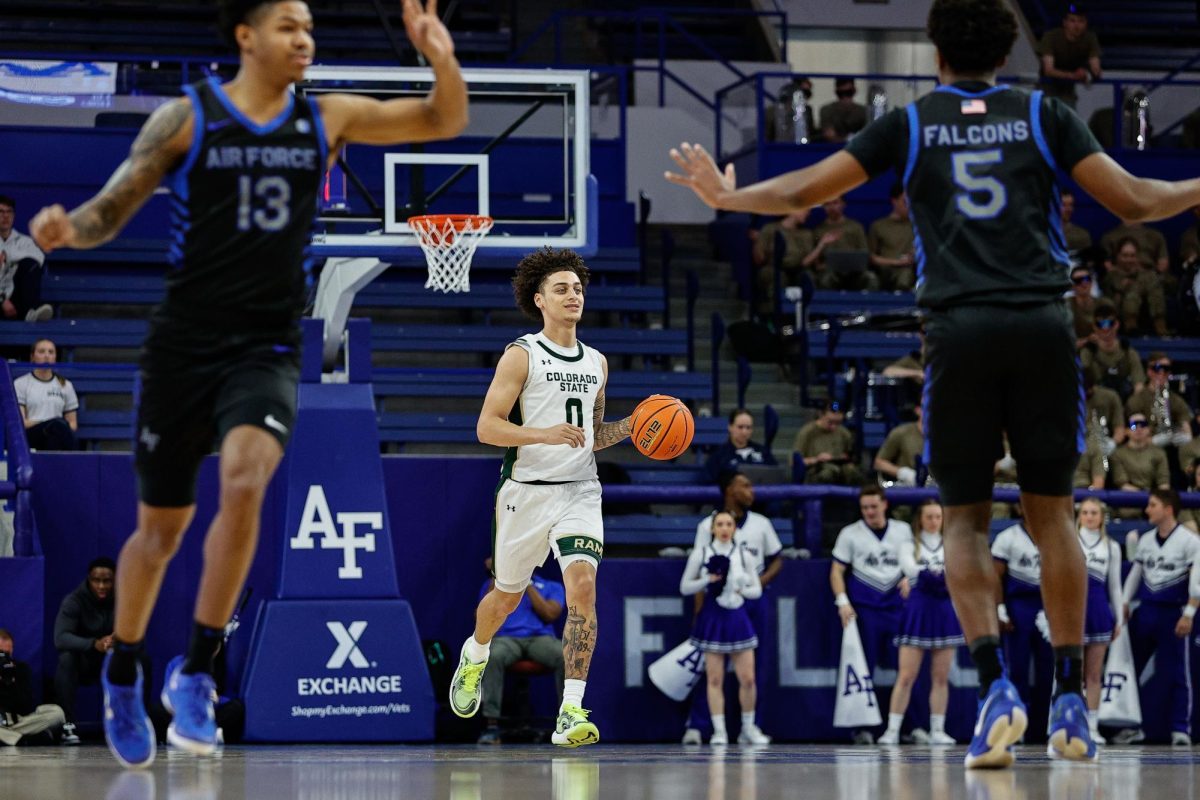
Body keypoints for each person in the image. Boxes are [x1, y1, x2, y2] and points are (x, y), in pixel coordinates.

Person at [667, 0, 1200, 766]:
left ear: (936, 54)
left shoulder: (912, 125)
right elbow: (1139, 202)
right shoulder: (1043, 114)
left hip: (959, 330)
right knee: (1054, 519)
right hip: (1042, 326)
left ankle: (995, 693)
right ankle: (1072, 705)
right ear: (1011, 51)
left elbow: (800, 193)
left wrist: (725, 197)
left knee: (963, 522)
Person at [29, 0, 467, 768]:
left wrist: (440, 54)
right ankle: (125, 667)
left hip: (263, 348)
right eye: (288, 26)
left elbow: (442, 120)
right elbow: (113, 204)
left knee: (245, 478)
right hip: (182, 348)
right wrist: (73, 230)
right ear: (246, 36)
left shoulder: (327, 117)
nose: (305, 38)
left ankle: (195, 670)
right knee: (160, 532)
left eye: (309, 27)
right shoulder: (186, 118)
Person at [450, 248, 635, 749]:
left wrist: (635, 427)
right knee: (506, 597)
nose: (573, 295)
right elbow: (487, 428)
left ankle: (571, 710)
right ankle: (476, 652)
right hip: (525, 494)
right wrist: (542, 434)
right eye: (561, 288)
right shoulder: (522, 354)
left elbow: (591, 435)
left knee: (582, 589)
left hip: (580, 491)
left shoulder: (597, 361)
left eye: (577, 288)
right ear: (539, 299)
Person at [681, 470, 783, 744]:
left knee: (751, 671)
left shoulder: (760, 524)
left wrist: (751, 585)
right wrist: (701, 604)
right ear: (729, 490)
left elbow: (777, 559)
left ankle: (751, 727)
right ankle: (705, 726)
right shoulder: (705, 528)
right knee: (712, 672)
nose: (751, 491)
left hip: (747, 605)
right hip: (715, 605)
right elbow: (696, 574)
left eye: (729, 526)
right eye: (745, 485)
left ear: (734, 529)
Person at [829, 485, 912, 744]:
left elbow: (915, 561)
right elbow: (836, 571)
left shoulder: (903, 530)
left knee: (908, 669)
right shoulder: (850, 534)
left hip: (898, 606)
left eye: (874, 506)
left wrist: (911, 578)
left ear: (885, 504)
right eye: (864, 507)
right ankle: (862, 727)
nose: (869, 512)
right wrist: (842, 601)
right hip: (865, 608)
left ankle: (911, 726)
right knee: (863, 668)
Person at [1119, 489, 1200, 746]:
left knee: (1178, 672)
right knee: (1130, 670)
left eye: (1152, 505)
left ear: (1168, 509)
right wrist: (1124, 601)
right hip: (1147, 610)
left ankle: (1180, 728)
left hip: (1173, 612)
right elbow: (1136, 573)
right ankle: (1133, 726)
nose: (1147, 510)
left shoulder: (1190, 541)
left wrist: (1189, 613)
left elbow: (1196, 581)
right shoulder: (1145, 540)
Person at [878, 500, 961, 746]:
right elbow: (909, 568)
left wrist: (932, 576)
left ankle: (938, 729)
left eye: (938, 516)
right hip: (918, 610)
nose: (934, 521)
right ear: (920, 520)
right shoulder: (908, 545)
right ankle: (892, 730)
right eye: (929, 517)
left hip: (944, 610)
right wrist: (936, 575)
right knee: (906, 675)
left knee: (940, 677)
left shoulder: (952, 544)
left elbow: (957, 571)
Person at [474, 560, 565, 745]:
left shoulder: (551, 586)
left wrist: (527, 584)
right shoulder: (497, 587)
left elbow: (549, 614)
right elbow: (481, 616)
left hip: (540, 639)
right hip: (506, 639)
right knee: (492, 656)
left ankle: (567, 720)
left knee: (566, 656)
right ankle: (492, 725)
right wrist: (497, 576)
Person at [990, 515, 1053, 742]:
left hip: (1048, 604)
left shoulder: (1054, 534)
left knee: (1049, 671)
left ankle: (1043, 726)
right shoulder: (1008, 537)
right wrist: (1000, 609)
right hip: (1019, 606)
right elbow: (996, 575)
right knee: (1017, 669)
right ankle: (1017, 726)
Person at [53, 557, 120, 745]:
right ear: (88, 580)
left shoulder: (125, 599)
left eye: (106, 581)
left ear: (114, 580)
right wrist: (94, 643)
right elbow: (61, 638)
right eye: (96, 580)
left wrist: (120, 641)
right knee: (66, 659)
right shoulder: (74, 600)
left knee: (141, 660)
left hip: (113, 660)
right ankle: (68, 724)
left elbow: (138, 636)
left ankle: (130, 725)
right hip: (84, 661)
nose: (101, 586)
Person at [1075, 498, 1123, 745]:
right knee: (1072, 673)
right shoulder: (1069, 542)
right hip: (1073, 611)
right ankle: (1072, 722)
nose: (1090, 517)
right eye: (1085, 512)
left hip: (1098, 610)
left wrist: (1119, 618)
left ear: (1102, 517)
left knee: (1094, 674)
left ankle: (1092, 725)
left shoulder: (1111, 546)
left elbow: (1114, 586)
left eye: (1094, 512)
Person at [0, 628, 66, 746]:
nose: (4, 658)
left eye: (7, 654)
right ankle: (24, 739)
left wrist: (10, 681)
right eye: (0, 653)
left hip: (20, 721)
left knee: (57, 712)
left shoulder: (21, 669)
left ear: (12, 650)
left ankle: (11, 738)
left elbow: (25, 705)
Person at [15, 338, 79, 451]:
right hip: (31, 434)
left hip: (58, 434)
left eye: (51, 352)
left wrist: (57, 426)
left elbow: (73, 424)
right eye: (41, 351)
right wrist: (49, 423)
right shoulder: (21, 384)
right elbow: (21, 423)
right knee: (56, 426)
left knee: (56, 435)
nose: (46, 356)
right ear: (32, 357)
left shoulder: (66, 385)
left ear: (55, 357)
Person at [1037, 4, 1101, 109]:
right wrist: (1073, 76)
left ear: (1086, 23)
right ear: (1065, 23)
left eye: (1081, 21)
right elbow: (1048, 70)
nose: (1076, 25)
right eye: (1072, 21)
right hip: (1046, 90)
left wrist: (1086, 73)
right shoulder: (1051, 37)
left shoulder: (1090, 38)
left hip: (1068, 94)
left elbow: (1096, 69)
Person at [0, 195, 53, 322]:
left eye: (9, 212)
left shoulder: (25, 241)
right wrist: (2, 300)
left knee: (30, 264)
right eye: (1, 211)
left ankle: (30, 312)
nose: (5, 216)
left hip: (17, 299)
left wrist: (8, 255)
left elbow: (39, 259)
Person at [1101, 237, 1168, 336]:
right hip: (1119, 316)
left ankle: (1161, 328)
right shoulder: (1112, 276)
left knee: (1154, 288)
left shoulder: (1147, 274)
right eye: (1125, 255)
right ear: (1118, 256)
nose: (1129, 260)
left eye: (1132, 256)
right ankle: (1131, 328)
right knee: (1133, 292)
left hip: (1146, 313)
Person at [1079, 301, 1145, 400]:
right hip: (1098, 401)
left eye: (1110, 323)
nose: (1106, 329)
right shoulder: (1088, 353)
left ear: (1117, 324)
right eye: (1100, 324)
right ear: (1094, 326)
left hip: (1125, 401)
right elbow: (1084, 384)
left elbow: (1139, 385)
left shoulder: (1128, 352)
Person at [1125, 352, 1193, 442]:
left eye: (1166, 368)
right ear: (1149, 371)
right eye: (1157, 368)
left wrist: (1186, 436)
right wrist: (1153, 440)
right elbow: (1131, 432)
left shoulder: (1176, 400)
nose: (1161, 372)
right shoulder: (1136, 400)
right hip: (1144, 448)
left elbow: (1186, 427)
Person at [812, 196, 875, 291]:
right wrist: (821, 265)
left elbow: (865, 252)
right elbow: (815, 258)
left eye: (835, 203)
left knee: (871, 278)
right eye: (827, 204)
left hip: (855, 272)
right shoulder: (818, 230)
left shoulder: (855, 227)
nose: (832, 207)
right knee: (825, 280)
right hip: (830, 272)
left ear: (843, 204)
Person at [793, 400, 860, 485]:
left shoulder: (844, 433)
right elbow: (795, 461)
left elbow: (851, 456)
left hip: (839, 469)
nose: (834, 426)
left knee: (852, 472)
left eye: (838, 423)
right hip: (816, 471)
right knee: (828, 472)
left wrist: (842, 458)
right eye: (830, 422)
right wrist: (816, 459)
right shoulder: (807, 432)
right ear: (821, 415)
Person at [703, 408, 776, 484]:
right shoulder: (718, 456)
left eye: (748, 427)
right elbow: (707, 486)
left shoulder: (763, 452)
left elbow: (776, 478)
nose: (744, 432)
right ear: (730, 427)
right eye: (740, 427)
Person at [867, 182, 916, 291]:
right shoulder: (879, 226)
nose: (908, 206)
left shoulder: (917, 226)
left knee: (906, 274)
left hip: (911, 271)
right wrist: (896, 262)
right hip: (886, 272)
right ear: (894, 201)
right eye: (905, 201)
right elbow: (871, 257)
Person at [873, 405, 925, 486]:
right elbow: (879, 463)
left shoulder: (946, 436)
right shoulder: (901, 432)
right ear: (918, 410)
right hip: (909, 489)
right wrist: (903, 473)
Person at [819, 78, 868, 144]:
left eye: (849, 92)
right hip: (833, 150)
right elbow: (829, 135)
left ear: (854, 91)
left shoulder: (862, 111)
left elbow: (867, 135)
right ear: (836, 92)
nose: (845, 97)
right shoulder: (827, 110)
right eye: (840, 93)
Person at [1060, 190, 1093, 256]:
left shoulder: (1082, 235)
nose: (1068, 209)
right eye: (1064, 204)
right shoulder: (1044, 231)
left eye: (1071, 204)